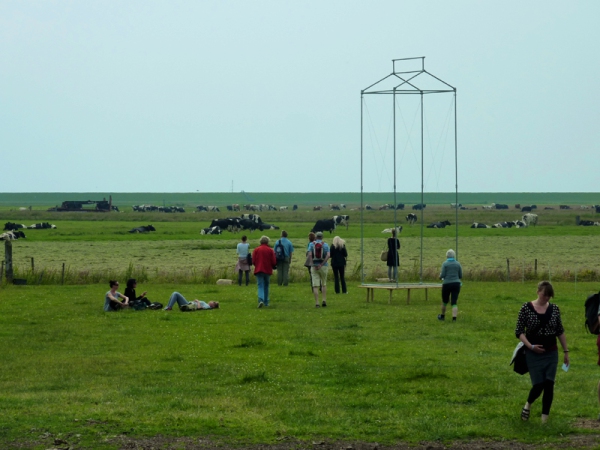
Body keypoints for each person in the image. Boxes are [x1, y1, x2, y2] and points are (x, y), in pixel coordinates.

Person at [515, 281, 569, 423]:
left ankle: (544, 419)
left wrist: (566, 351)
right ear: (538, 291)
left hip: (551, 352)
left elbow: (560, 331)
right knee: (538, 384)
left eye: (549, 296)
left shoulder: (555, 309)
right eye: (545, 295)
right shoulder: (526, 308)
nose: (546, 299)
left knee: (549, 383)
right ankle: (528, 404)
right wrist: (531, 346)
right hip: (533, 353)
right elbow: (519, 331)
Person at [438, 249, 463, 321]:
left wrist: (440, 277)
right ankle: (454, 318)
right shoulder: (458, 264)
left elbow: (442, 275)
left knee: (445, 301)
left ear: (447, 256)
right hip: (456, 284)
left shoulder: (445, 264)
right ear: (454, 256)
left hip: (447, 284)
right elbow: (460, 275)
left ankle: (442, 316)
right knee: (454, 302)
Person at [252, 235, 276, 308]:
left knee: (260, 285)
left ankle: (260, 300)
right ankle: (266, 302)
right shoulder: (270, 250)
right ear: (267, 242)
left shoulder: (256, 249)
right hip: (267, 270)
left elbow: (253, 261)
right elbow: (274, 262)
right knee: (266, 286)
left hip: (259, 269)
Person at [308, 231, 330, 307]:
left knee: (315, 285)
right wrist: (322, 264)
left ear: (316, 237)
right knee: (323, 284)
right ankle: (324, 300)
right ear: (322, 237)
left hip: (314, 266)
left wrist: (312, 264)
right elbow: (328, 255)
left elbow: (310, 255)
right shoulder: (326, 245)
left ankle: (317, 303)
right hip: (324, 266)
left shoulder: (311, 244)